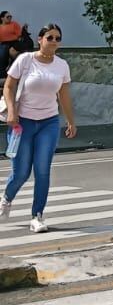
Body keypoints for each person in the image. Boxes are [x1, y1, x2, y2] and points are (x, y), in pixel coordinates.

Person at [2, 23, 77, 232]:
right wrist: (11, 111)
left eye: (57, 38)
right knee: (21, 173)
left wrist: (71, 121)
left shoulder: (61, 65)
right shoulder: (25, 60)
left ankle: (37, 216)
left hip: (49, 122)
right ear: (40, 39)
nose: (54, 41)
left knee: (42, 171)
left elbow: (63, 95)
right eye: (50, 37)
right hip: (23, 122)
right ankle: (7, 198)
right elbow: (9, 86)